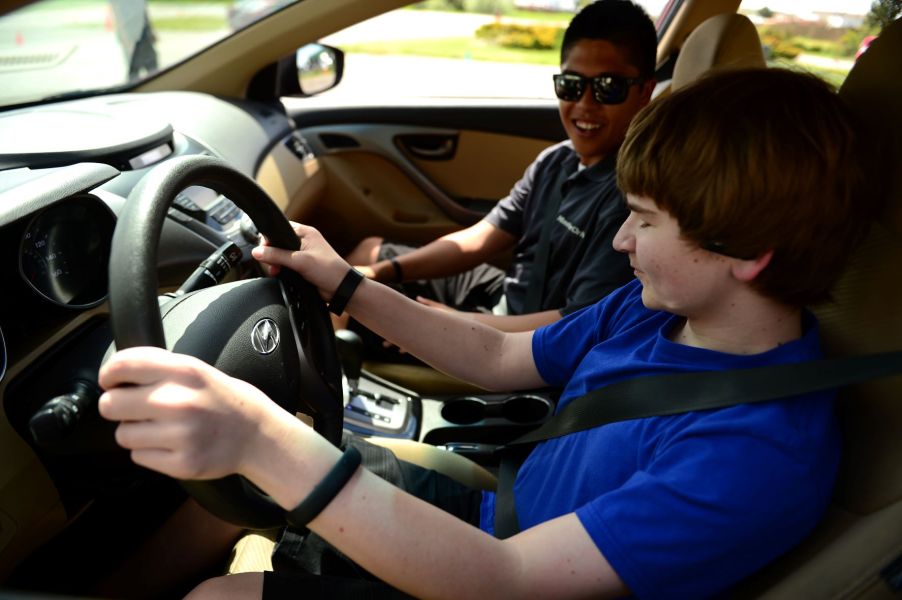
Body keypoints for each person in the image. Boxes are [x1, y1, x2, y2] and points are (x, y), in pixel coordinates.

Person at [98, 67, 877, 599]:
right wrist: (345, 284)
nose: (620, 242)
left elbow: (501, 582)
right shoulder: (663, 309)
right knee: (228, 491)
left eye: (643, 221)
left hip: (494, 572)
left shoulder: (751, 456)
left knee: (219, 590)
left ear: (747, 255)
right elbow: (502, 354)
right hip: (494, 511)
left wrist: (257, 437)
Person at [340, 0, 656, 339]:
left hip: (529, 343)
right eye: (571, 84)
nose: (584, 104)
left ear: (645, 92)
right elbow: (479, 240)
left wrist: (457, 324)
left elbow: (578, 322)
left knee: (349, 303)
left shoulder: (629, 199)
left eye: (608, 87)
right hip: (505, 299)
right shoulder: (556, 162)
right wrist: (382, 272)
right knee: (368, 254)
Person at [109, 0, 158, 80]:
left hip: (142, 32)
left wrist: (150, 30)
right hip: (130, 32)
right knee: (135, 67)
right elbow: (117, 11)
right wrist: (123, 34)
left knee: (151, 64)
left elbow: (143, 10)